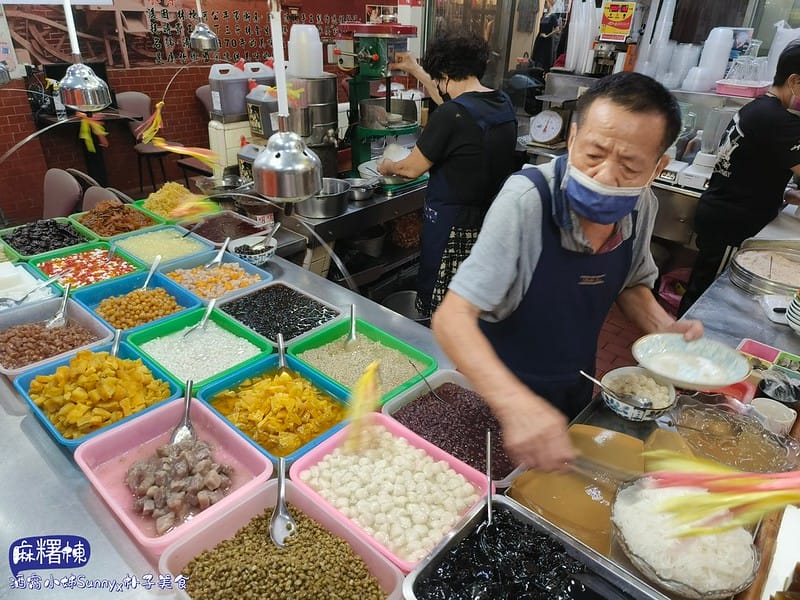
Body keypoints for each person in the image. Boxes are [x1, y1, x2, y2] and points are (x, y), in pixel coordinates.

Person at [431, 72, 704, 472]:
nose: (606, 176)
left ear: (658, 167)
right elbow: (451, 318)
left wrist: (661, 325)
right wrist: (515, 406)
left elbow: (631, 283)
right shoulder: (526, 201)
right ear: (572, 138)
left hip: (575, 385)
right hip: (493, 396)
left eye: (630, 165)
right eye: (594, 154)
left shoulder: (642, 205)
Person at [377, 31, 519, 317]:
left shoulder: (452, 116)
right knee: (473, 304)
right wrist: (417, 70)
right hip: (489, 224)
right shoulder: (501, 103)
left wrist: (386, 165)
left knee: (446, 311)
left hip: (453, 231)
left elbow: (410, 168)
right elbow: (453, 106)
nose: (439, 88)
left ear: (445, 74)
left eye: (439, 80)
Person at [678, 42, 800, 316]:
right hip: (733, 221)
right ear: (794, 81)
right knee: (709, 299)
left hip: (722, 212)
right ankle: (683, 345)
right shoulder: (780, 121)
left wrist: (784, 194)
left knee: (703, 288)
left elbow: (753, 167)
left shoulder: (759, 108)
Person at [532, 0, 561, 71]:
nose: (544, 4)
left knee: (543, 61)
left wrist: (547, 35)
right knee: (536, 59)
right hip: (539, 40)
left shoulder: (553, 16)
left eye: (545, 2)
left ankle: (541, 76)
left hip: (546, 41)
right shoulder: (544, 15)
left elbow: (557, 29)